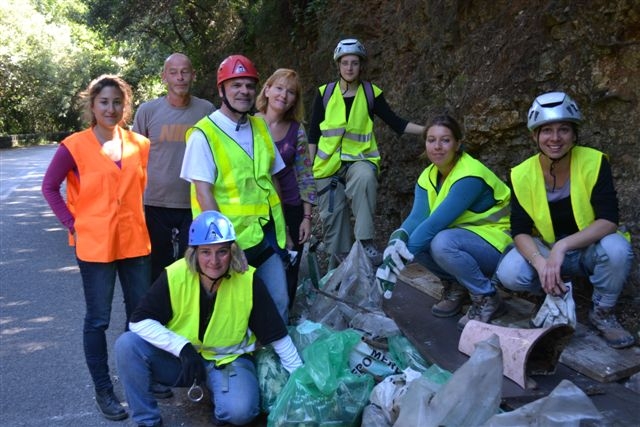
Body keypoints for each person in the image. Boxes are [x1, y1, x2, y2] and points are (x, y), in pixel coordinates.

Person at [115, 211, 303, 427]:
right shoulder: (176, 275)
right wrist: (182, 348)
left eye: (221, 252)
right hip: (184, 361)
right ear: (194, 253)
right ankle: (147, 421)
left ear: (232, 252)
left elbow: (278, 337)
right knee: (127, 345)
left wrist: (301, 382)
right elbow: (138, 321)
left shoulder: (248, 281)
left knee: (241, 412)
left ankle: (220, 396)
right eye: (206, 252)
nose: (214, 261)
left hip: (228, 361)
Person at [41, 74, 151, 421]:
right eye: (104, 102)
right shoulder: (73, 146)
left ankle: (139, 377)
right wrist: (73, 223)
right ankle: (104, 388)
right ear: (92, 106)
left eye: (117, 102)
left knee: (139, 315)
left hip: (134, 240)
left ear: (125, 105)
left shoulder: (139, 143)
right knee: (98, 319)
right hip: (95, 245)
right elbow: (49, 187)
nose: (111, 108)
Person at [495, 91, 635, 348]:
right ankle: (550, 295)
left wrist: (562, 246)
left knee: (617, 249)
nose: (555, 138)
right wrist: (540, 262)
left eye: (564, 130)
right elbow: (520, 230)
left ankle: (602, 313)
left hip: (585, 249)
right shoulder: (521, 174)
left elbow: (608, 220)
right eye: (546, 130)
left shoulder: (594, 162)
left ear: (575, 133)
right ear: (534, 136)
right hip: (545, 249)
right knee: (510, 272)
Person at [376, 114, 512, 331]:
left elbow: (433, 225)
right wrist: (395, 242)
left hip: (500, 247)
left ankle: (487, 296)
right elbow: (417, 218)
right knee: (416, 239)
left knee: (439, 241)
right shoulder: (428, 175)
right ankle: (456, 286)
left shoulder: (469, 175)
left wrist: (395, 265)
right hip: (465, 241)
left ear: (458, 144)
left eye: (445, 140)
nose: (437, 147)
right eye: (431, 140)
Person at [180, 54, 290, 322]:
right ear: (221, 90)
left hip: (265, 237)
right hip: (227, 244)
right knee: (233, 313)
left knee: (279, 301)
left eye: (249, 85)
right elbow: (203, 193)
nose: (244, 91)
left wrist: (282, 226)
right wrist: (225, 245)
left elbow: (272, 179)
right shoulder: (203, 134)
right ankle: (237, 362)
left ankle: (276, 361)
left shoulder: (260, 126)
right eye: (236, 85)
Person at [308, 38, 425, 268]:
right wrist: (310, 171)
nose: (350, 68)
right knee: (334, 215)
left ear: (361, 66)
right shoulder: (325, 94)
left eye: (354, 63)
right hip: (326, 166)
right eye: (345, 63)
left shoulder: (371, 93)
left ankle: (365, 241)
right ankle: (338, 265)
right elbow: (313, 134)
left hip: (360, 161)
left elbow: (396, 123)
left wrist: (428, 130)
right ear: (338, 66)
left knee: (365, 178)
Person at [133, 52, 215, 284]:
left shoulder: (206, 111)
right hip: (155, 201)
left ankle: (187, 314)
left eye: (185, 71)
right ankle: (157, 313)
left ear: (193, 75)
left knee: (192, 264)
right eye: (173, 72)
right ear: (164, 77)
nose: (180, 77)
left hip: (194, 202)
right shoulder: (147, 111)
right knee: (157, 265)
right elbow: (134, 158)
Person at [256, 68, 316, 308]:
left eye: (291, 92)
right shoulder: (248, 124)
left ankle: (285, 324)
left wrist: (307, 217)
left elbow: (305, 174)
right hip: (257, 209)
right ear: (267, 89)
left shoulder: (296, 130)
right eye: (279, 88)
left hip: (291, 207)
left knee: (289, 268)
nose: (284, 95)